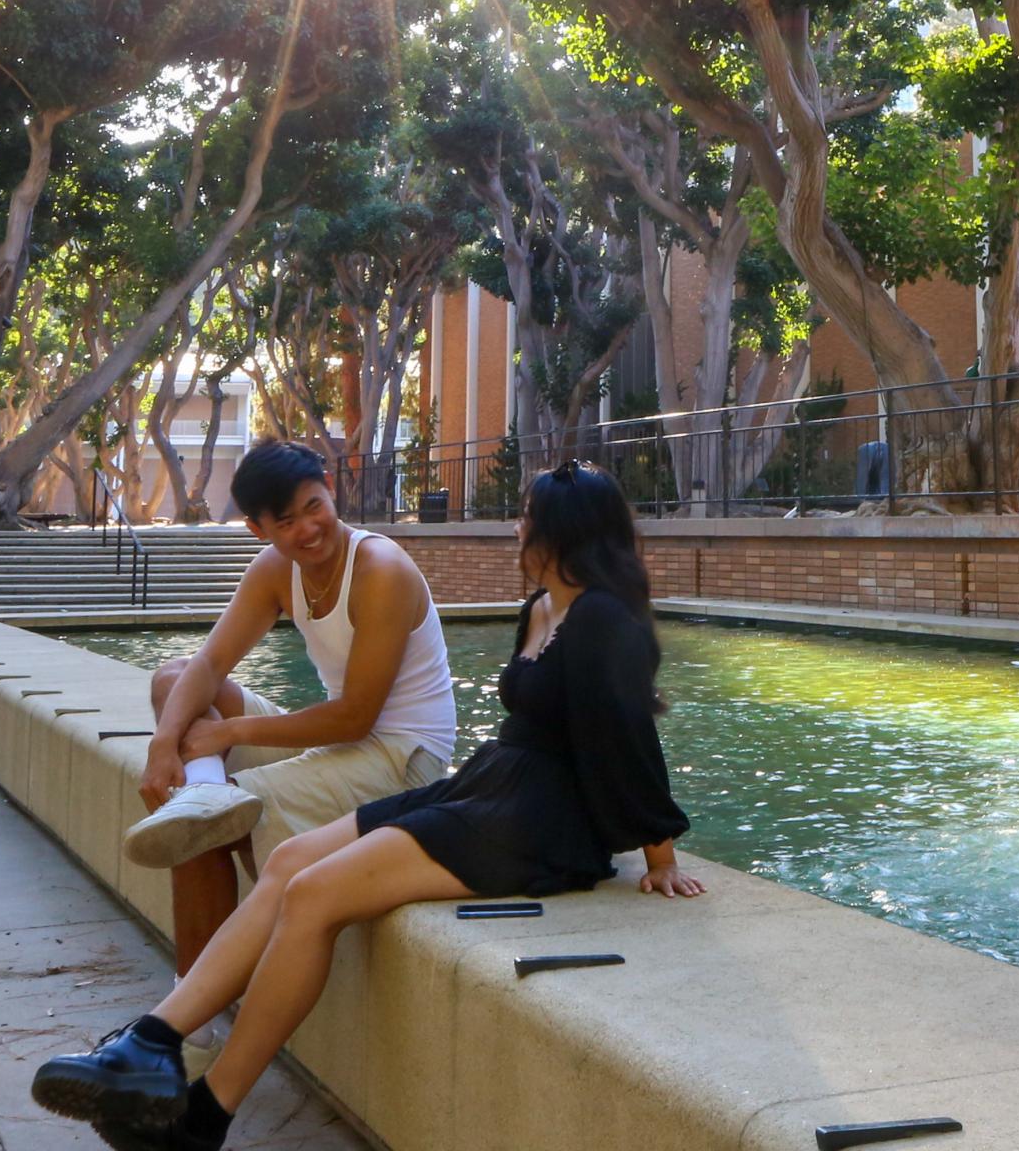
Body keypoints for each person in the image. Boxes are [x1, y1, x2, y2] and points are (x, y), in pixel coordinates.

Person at [34, 462, 702, 1151]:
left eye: (526, 514)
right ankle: (152, 1044)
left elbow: (626, 735)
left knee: (316, 891)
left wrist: (659, 853)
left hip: (541, 824)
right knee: (291, 860)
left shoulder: (601, 619)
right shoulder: (544, 607)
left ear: (560, 529)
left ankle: (206, 1113)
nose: (517, 524)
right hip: (493, 788)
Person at [118, 440, 457, 872]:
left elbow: (356, 717)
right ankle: (200, 790)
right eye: (286, 521)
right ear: (259, 530)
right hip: (345, 743)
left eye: (314, 507)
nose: (308, 529)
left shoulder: (380, 569)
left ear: (330, 488)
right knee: (173, 677)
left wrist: (228, 733)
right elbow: (209, 664)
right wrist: (163, 744)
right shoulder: (275, 570)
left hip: (405, 757)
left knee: (215, 823)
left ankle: (206, 806)